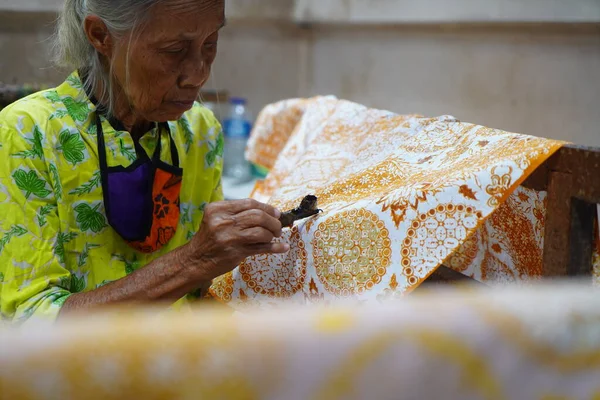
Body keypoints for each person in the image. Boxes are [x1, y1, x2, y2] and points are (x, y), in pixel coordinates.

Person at [0, 0, 289, 324]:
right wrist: (192, 261)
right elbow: (29, 322)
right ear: (100, 35)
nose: (199, 74)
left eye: (210, 44)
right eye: (174, 49)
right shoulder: (27, 133)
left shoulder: (198, 131)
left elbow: (201, 295)